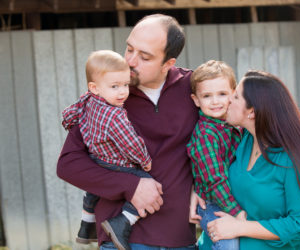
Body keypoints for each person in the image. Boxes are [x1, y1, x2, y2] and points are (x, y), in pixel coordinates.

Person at [57, 14, 200, 249]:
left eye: (144, 57)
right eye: (129, 49)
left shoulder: (194, 88)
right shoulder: (106, 94)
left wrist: (203, 189)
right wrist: (130, 185)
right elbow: (68, 164)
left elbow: (224, 139)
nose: (131, 61)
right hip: (122, 241)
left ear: (168, 64)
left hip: (180, 240)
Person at [197, 70, 300, 249]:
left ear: (252, 111)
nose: (228, 99)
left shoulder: (294, 160)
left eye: (236, 97)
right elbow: (212, 168)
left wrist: (240, 228)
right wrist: (198, 191)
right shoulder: (241, 139)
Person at [61, 50, 154, 250]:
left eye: (125, 85)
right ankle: (122, 222)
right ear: (94, 87)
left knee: (93, 189)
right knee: (148, 183)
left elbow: (71, 113)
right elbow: (131, 144)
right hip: (116, 163)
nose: (122, 92)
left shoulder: (89, 100)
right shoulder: (115, 115)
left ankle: (87, 225)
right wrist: (145, 161)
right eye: (114, 87)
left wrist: (71, 125)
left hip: (96, 158)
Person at [186, 60, 246, 250]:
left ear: (233, 94)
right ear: (196, 100)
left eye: (222, 94)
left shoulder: (236, 124)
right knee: (228, 243)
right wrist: (237, 213)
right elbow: (214, 180)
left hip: (235, 199)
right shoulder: (206, 135)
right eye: (207, 96)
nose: (215, 101)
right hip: (213, 204)